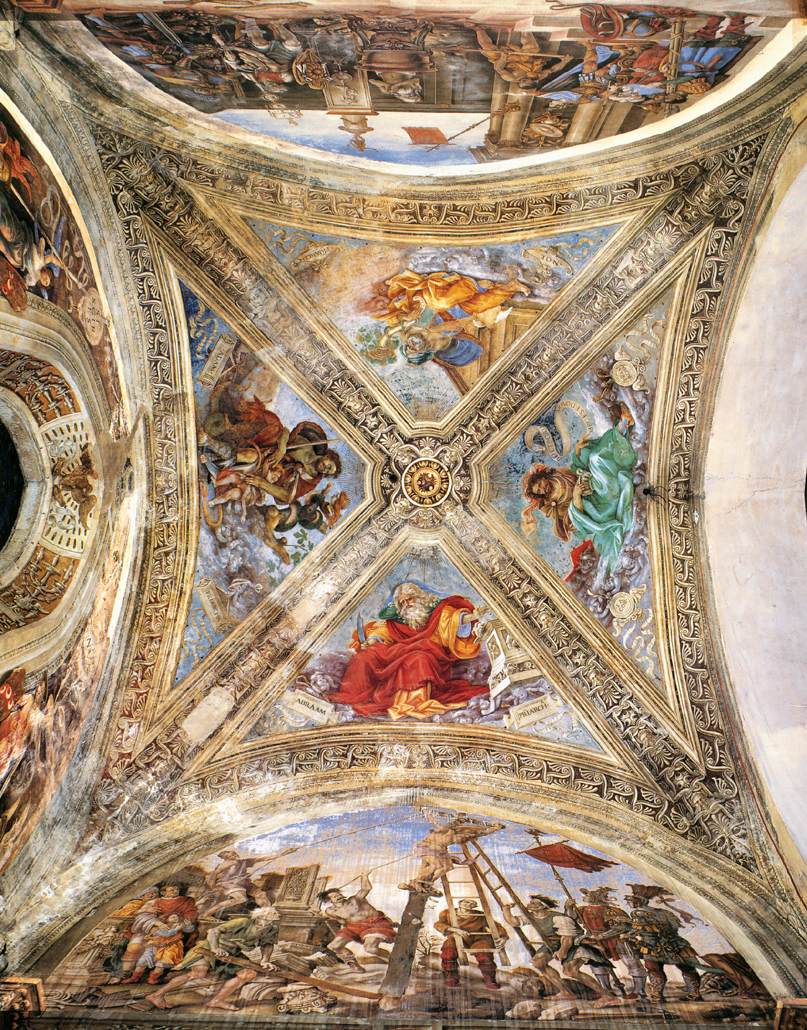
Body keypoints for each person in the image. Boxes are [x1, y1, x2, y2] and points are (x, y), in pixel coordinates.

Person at [326, 581, 487, 720]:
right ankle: (353, 696)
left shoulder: (438, 613)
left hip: (430, 658)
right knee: (367, 656)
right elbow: (383, 632)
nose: (407, 604)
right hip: (398, 655)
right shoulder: (399, 622)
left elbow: (455, 621)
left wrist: (472, 617)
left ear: (420, 598)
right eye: (402, 603)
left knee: (419, 658)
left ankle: (414, 703)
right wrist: (373, 640)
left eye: (410, 599)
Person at [522, 403, 637, 576]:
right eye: (538, 491)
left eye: (539, 484)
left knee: (592, 455)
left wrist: (577, 452)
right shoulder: (550, 505)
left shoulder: (558, 475)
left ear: (543, 477)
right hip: (594, 507)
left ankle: (623, 426)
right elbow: (571, 522)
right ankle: (622, 429)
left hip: (594, 484)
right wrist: (576, 497)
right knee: (596, 459)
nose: (542, 488)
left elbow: (576, 470)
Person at [146, 892, 280, 1011]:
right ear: (259, 918)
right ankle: (156, 995)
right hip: (210, 946)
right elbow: (213, 931)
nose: (269, 924)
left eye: (272, 921)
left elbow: (267, 944)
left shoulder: (271, 929)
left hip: (232, 952)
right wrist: (216, 948)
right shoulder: (243, 922)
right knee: (198, 973)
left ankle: (217, 1000)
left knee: (248, 974)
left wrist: (265, 960)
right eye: (267, 920)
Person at [502, 894, 617, 998]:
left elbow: (567, 938)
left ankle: (607, 996)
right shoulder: (531, 916)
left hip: (575, 943)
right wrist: (506, 910)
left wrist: (562, 951)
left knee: (571, 971)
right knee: (538, 963)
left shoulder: (559, 918)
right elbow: (514, 922)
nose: (530, 904)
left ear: (543, 906)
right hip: (553, 943)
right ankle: (566, 992)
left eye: (534, 903)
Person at [625, 884, 701, 1002]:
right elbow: (675, 927)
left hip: (651, 945)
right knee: (687, 968)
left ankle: (657, 996)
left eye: (630, 901)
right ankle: (695, 994)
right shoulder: (665, 912)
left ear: (638, 902)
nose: (628, 903)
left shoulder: (637, 914)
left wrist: (627, 935)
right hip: (676, 943)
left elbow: (637, 930)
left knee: (654, 969)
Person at [313, 873, 396, 968]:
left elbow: (366, 889)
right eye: (334, 896)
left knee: (370, 949)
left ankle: (392, 961)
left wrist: (364, 876)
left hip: (374, 924)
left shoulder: (354, 899)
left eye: (338, 894)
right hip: (355, 927)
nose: (338, 896)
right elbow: (343, 922)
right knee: (333, 946)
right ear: (329, 900)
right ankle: (354, 965)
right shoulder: (331, 911)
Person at [577, 886, 645, 997]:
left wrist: (602, 936)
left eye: (588, 895)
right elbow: (571, 919)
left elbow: (623, 927)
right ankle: (607, 991)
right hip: (594, 940)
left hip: (617, 939)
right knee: (597, 964)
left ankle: (639, 991)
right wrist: (569, 907)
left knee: (632, 963)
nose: (585, 896)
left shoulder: (612, 911)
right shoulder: (582, 910)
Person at [435, 897, 508, 990]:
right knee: (448, 951)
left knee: (484, 954)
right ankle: (451, 978)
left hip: (478, 939)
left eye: (471, 903)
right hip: (457, 937)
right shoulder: (447, 913)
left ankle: (490, 980)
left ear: (474, 906)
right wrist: (454, 929)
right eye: (466, 902)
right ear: (460, 903)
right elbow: (438, 924)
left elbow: (496, 926)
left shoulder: (480, 915)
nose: (468, 904)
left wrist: (503, 937)